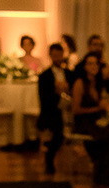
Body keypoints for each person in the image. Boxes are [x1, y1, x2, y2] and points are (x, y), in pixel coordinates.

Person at [70, 53, 109, 185]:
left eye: (95, 63)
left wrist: (105, 106)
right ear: (84, 67)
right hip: (83, 121)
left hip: (96, 120)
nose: (93, 66)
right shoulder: (80, 83)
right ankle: (105, 177)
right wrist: (99, 109)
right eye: (90, 63)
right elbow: (76, 110)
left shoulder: (97, 82)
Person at [37, 43, 70, 174]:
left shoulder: (69, 73)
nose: (57, 58)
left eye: (59, 55)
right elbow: (43, 98)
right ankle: (49, 159)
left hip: (68, 110)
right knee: (58, 132)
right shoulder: (44, 76)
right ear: (50, 56)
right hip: (52, 112)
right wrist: (56, 93)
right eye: (55, 55)